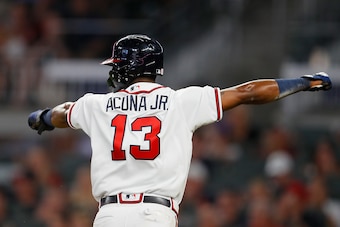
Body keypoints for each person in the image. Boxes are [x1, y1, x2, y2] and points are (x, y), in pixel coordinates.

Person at [28, 34, 332, 227]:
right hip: (155, 215)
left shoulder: (96, 105)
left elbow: (62, 113)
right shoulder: (180, 101)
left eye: (117, 64)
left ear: (128, 68)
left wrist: (41, 117)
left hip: (109, 216)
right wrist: (302, 82)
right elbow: (246, 91)